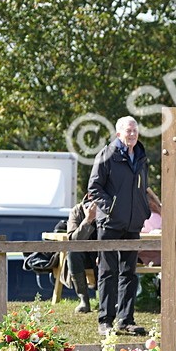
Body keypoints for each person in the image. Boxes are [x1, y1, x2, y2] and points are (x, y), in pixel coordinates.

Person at [87, 116, 153, 336]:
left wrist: (143, 211)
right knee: (107, 271)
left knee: (129, 273)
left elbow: (143, 188)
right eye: (128, 131)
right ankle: (105, 320)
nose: (132, 134)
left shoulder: (141, 156)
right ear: (118, 134)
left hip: (133, 223)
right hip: (110, 223)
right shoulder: (107, 155)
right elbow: (94, 188)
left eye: (135, 130)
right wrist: (112, 209)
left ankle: (126, 320)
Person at [64, 197, 100, 314]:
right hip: (84, 256)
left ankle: (108, 299)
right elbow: (74, 240)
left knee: (112, 254)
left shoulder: (108, 208)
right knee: (73, 252)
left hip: (102, 252)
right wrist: (88, 219)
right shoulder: (77, 211)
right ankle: (84, 299)